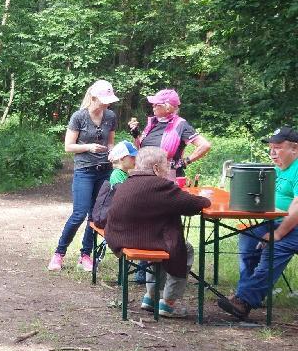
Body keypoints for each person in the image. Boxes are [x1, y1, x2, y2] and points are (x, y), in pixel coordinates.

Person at [105, 147, 211, 318]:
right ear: (155, 168)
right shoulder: (161, 186)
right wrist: (207, 198)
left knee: (160, 245)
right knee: (183, 248)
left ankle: (151, 297)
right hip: (140, 239)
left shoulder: (127, 182)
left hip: (119, 238)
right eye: (166, 165)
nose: (168, 169)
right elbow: (194, 204)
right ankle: (169, 302)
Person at [128, 88, 212, 283]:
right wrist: (136, 135)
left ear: (168, 107)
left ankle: (165, 270)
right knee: (146, 220)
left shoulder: (181, 125)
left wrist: (185, 161)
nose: (153, 107)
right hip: (146, 177)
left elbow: (205, 145)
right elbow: (142, 148)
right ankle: (144, 271)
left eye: (157, 104)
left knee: (166, 222)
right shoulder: (152, 123)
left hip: (168, 178)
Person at [217, 127, 298, 320]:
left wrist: (277, 234)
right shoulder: (277, 168)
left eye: (278, 147)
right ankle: (245, 296)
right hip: (274, 221)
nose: (272, 152)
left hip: (293, 226)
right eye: (270, 147)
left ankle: (243, 301)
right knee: (248, 237)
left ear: (294, 148)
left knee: (274, 249)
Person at [48, 79, 118, 272]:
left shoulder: (111, 116)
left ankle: (85, 255)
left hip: (105, 171)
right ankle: (58, 254)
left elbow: (110, 142)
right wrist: (88, 147)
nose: (107, 103)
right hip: (84, 171)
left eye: (109, 100)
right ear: (94, 97)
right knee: (79, 213)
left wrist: (114, 152)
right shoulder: (79, 116)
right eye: (104, 99)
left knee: (95, 216)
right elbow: (68, 146)